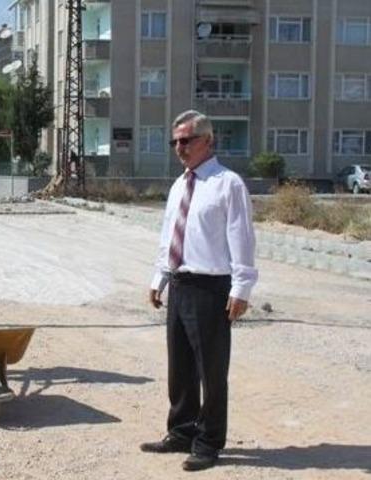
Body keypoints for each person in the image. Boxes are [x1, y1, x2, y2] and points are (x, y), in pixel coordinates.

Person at [141, 110, 258, 472]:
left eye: (186, 140)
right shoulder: (180, 185)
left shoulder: (228, 184)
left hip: (211, 288)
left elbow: (242, 238)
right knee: (180, 367)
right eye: (175, 141)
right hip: (179, 283)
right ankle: (181, 430)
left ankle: (208, 441)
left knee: (211, 370)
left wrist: (242, 288)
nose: (180, 147)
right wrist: (159, 277)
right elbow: (169, 235)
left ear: (208, 140)